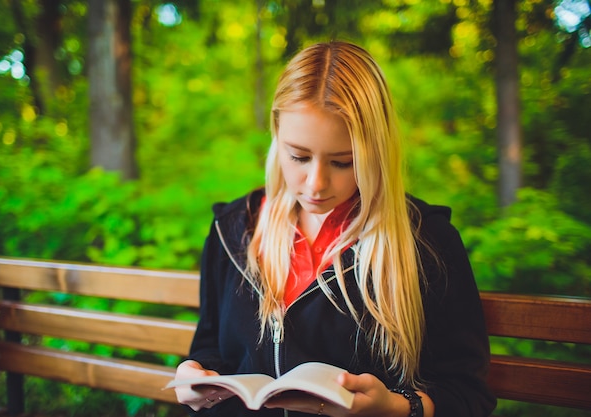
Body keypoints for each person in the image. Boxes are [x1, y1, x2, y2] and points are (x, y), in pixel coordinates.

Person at [173, 40, 496, 417]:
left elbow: (468, 394)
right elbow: (210, 349)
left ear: (375, 150)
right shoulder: (233, 229)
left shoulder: (426, 243)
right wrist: (193, 374)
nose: (315, 184)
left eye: (343, 162)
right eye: (299, 156)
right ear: (276, 133)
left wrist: (394, 408)